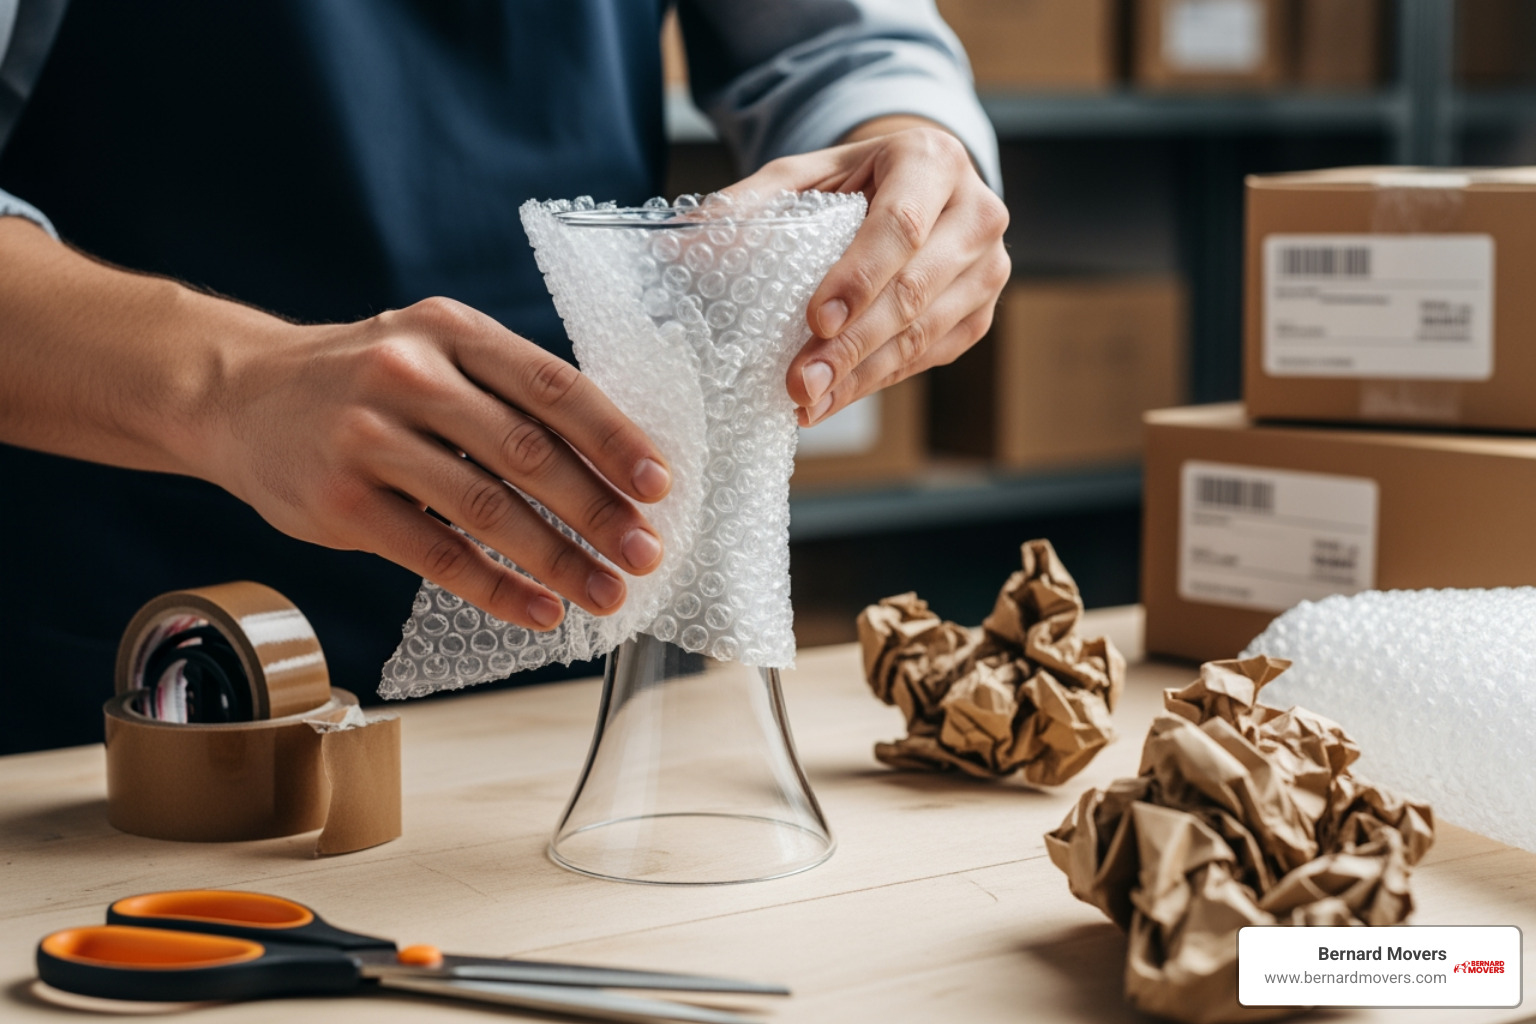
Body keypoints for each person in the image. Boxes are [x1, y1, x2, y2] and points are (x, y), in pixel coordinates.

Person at [0, 0, 1008, 753]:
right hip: (133, 679)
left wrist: (915, 152)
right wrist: (225, 385)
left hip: (589, 644)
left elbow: (842, 41)